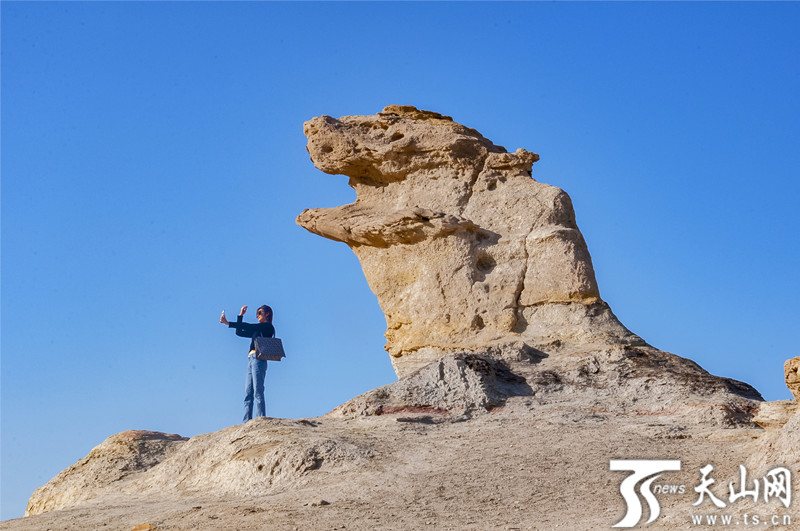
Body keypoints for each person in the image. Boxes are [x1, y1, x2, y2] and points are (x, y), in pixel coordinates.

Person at [220, 304, 275, 422]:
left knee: (258, 391)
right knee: (248, 393)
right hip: (250, 359)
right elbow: (239, 332)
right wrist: (240, 315)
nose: (257, 316)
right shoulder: (257, 329)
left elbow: (248, 326)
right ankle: (246, 421)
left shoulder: (267, 327)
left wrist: (228, 323)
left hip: (259, 359)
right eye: (256, 314)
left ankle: (261, 418)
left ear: (267, 314)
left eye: (259, 313)